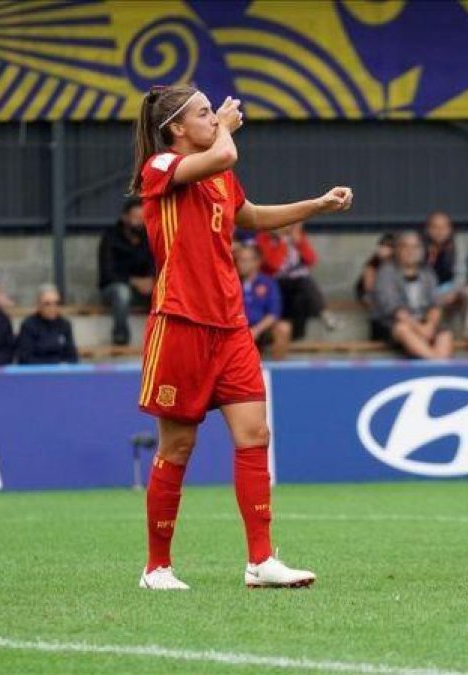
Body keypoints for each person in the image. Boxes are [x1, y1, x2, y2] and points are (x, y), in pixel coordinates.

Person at [130, 84, 351, 590]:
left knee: (255, 435)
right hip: (179, 322)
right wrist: (225, 130)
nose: (216, 118)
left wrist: (314, 206)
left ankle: (261, 560)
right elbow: (224, 149)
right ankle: (156, 567)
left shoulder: (220, 174)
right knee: (179, 446)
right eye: (204, 113)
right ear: (176, 129)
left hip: (230, 326)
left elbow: (250, 218)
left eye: (215, 112)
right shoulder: (160, 168)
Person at [371, 231, 453, 360]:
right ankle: (434, 365)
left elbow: (435, 305)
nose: (411, 251)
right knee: (403, 329)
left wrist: (430, 325)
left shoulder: (427, 273)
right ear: (397, 250)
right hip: (392, 324)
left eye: (416, 247)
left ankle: (440, 367)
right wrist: (419, 329)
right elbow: (394, 309)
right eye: (406, 247)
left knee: (445, 334)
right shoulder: (386, 272)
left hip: (423, 322)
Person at [255, 222, 334, 339]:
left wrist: (299, 242)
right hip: (274, 284)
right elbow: (274, 264)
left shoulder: (297, 237)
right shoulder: (264, 238)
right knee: (303, 282)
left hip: (296, 286)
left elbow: (311, 260)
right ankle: (322, 311)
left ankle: (300, 332)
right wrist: (282, 241)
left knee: (302, 295)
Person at [98, 198, 154, 346]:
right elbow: (107, 273)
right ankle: (120, 337)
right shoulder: (110, 238)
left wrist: (152, 280)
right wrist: (134, 281)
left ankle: (157, 336)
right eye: (135, 218)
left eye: (142, 218)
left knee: (163, 289)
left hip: (144, 289)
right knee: (122, 293)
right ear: (125, 218)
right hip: (114, 289)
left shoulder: (149, 237)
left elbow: (157, 264)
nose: (140, 222)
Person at [237, 245, 291, 360]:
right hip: (237, 329)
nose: (241, 264)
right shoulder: (232, 282)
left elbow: (274, 313)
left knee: (284, 328)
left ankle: (278, 371)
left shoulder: (268, 283)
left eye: (245, 260)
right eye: (239, 260)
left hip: (261, 329)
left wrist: (256, 330)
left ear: (257, 262)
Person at [15, 283, 77, 365]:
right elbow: (25, 358)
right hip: (37, 374)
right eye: (47, 304)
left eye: (56, 303)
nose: (52, 308)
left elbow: (73, 357)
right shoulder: (28, 325)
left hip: (61, 373)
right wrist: (56, 364)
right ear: (38, 305)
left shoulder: (64, 325)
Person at [354, 232, 395, 309]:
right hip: (369, 295)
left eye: (389, 246)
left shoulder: (398, 264)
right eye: (382, 245)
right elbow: (369, 288)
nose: (384, 249)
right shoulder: (373, 263)